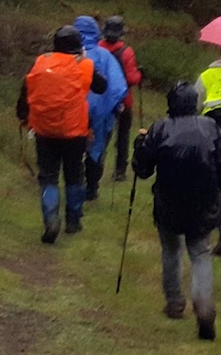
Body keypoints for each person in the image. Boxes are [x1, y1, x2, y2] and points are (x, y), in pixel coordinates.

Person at [131, 82, 221, 340]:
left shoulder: (160, 129)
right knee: (200, 252)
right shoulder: (210, 128)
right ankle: (202, 302)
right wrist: (217, 186)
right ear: (195, 103)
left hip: (169, 203)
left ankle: (175, 302)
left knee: (171, 249)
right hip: (203, 204)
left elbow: (143, 170)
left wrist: (139, 146)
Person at [16, 26, 108, 244]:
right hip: (74, 131)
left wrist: (22, 114)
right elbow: (102, 86)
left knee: (48, 176)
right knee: (74, 175)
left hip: (44, 130)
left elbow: (26, 87)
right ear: (78, 46)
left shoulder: (41, 61)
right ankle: (73, 222)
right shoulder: (84, 65)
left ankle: (50, 220)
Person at [73, 15, 128, 204]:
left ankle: (75, 186)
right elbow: (118, 86)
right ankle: (92, 188)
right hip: (99, 115)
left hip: (73, 113)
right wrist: (113, 108)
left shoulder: (67, 56)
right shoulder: (104, 56)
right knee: (96, 149)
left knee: (74, 151)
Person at [99, 15, 143, 184]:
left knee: (102, 134)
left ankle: (97, 165)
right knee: (123, 136)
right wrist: (140, 74)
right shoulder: (126, 51)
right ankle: (120, 171)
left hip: (102, 99)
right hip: (123, 100)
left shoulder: (97, 48)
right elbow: (132, 78)